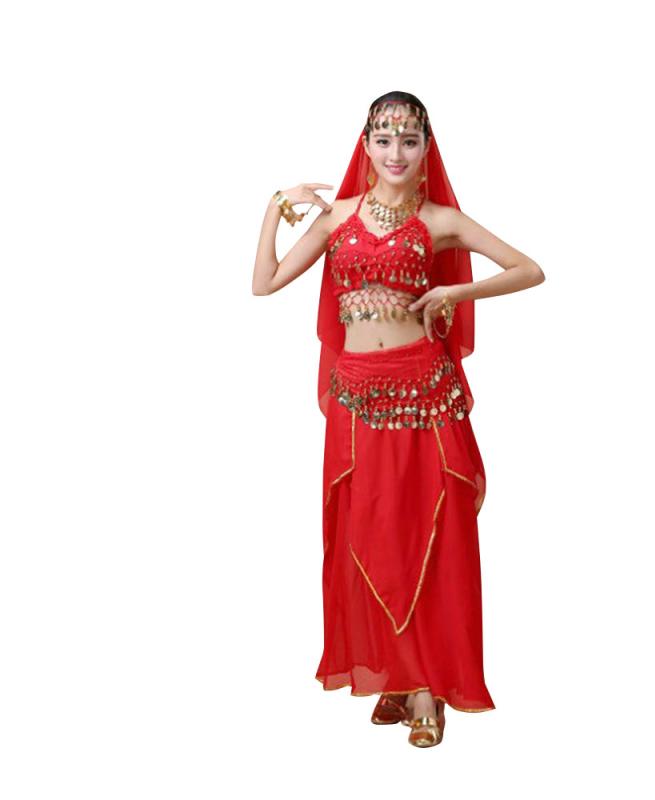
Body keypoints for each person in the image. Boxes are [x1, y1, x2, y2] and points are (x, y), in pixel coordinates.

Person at [252, 91, 545, 747]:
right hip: (356, 399)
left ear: (425, 149)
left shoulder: (443, 220)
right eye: (383, 139)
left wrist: (458, 290)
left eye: (408, 140)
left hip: (424, 395)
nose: (395, 153)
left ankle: (426, 692)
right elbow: (264, 283)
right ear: (365, 145)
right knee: (368, 535)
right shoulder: (337, 217)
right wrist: (275, 208)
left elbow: (529, 269)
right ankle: (393, 673)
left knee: (430, 536)